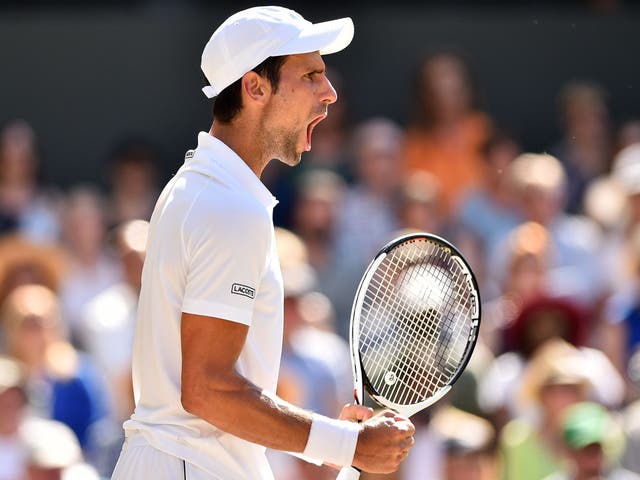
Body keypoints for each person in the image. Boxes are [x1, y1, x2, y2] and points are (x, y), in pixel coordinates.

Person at [111, 7, 415, 480]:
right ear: (255, 87)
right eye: (311, 75)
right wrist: (347, 444)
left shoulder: (201, 187)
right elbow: (207, 389)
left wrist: (333, 443)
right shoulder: (228, 205)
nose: (330, 93)